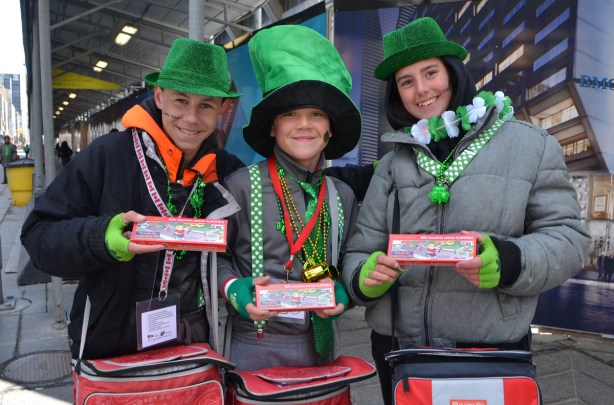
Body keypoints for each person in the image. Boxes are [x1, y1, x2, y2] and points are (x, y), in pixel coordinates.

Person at [340, 17, 591, 405]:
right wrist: (363, 278)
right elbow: (360, 249)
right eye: (406, 81)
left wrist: (509, 260)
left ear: (453, 75)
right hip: (400, 351)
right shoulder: (393, 163)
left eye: (430, 73)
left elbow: (570, 239)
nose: (421, 89)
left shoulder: (529, 145)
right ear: (397, 94)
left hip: (488, 350)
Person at [20, 38, 243, 360]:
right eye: (181, 101)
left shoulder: (227, 171)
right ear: (159, 97)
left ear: (222, 110)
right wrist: (102, 239)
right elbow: (38, 236)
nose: (192, 118)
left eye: (206, 105)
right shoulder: (108, 156)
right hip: (111, 337)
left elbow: (246, 250)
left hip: (196, 334)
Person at [217, 25, 361, 370]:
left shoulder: (342, 195)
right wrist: (233, 287)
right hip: (253, 345)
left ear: (329, 130)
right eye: (289, 114)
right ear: (272, 127)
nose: (303, 124)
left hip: (322, 344)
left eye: (316, 114)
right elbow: (213, 258)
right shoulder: (238, 186)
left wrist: (346, 291)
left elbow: (352, 257)